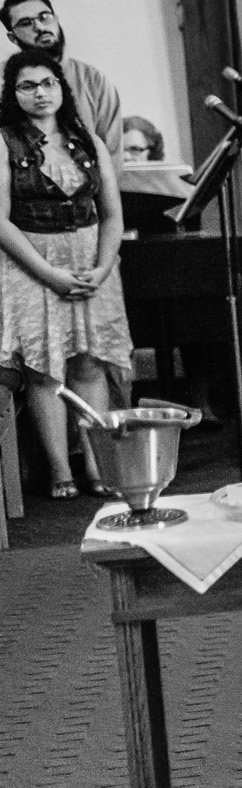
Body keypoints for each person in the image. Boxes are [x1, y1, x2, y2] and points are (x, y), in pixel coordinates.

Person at [0, 50, 129, 496]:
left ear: (62, 87)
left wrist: (104, 266)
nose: (40, 93)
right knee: (44, 369)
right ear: (13, 94)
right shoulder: (4, 141)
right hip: (32, 260)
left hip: (91, 257)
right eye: (27, 86)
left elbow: (112, 213)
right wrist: (48, 273)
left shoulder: (86, 138)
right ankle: (60, 470)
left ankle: (96, 466)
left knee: (89, 362)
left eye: (48, 83)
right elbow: (0, 220)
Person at [3, 0, 122, 154]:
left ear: (56, 20)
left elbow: (112, 154)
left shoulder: (94, 80)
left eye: (45, 17)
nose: (39, 26)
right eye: (26, 23)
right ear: (13, 37)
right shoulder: (2, 80)